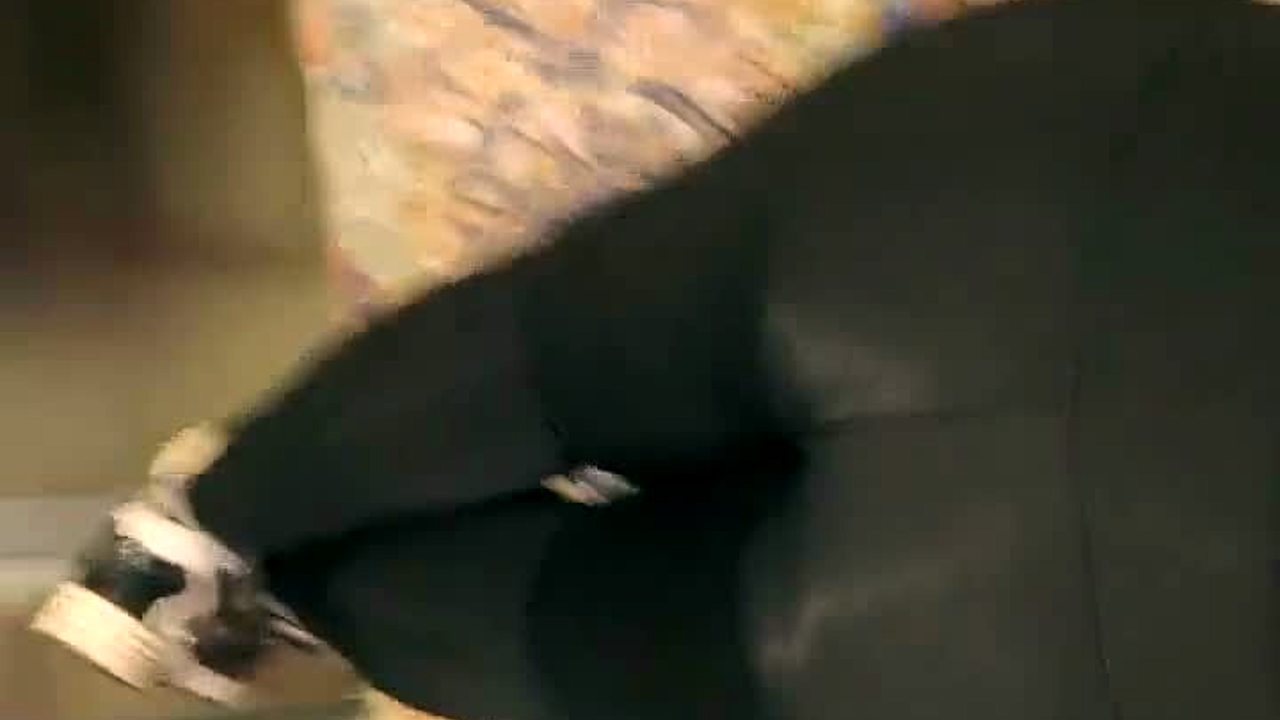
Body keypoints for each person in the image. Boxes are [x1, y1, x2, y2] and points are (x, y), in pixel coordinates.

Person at [32, 1, 1278, 718]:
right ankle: (293, 591)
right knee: (607, 638)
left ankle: (202, 526)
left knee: (565, 343)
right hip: (1072, 628)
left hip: (1068, 171)